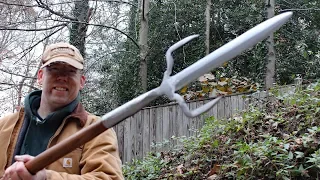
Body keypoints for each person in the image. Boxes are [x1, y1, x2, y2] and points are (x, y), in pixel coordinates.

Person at [0, 42, 124, 179]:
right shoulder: (4, 126)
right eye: (54, 69)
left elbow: (108, 177)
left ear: (82, 81)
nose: (62, 77)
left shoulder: (96, 130)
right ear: (40, 76)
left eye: (71, 71)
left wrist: (46, 178)